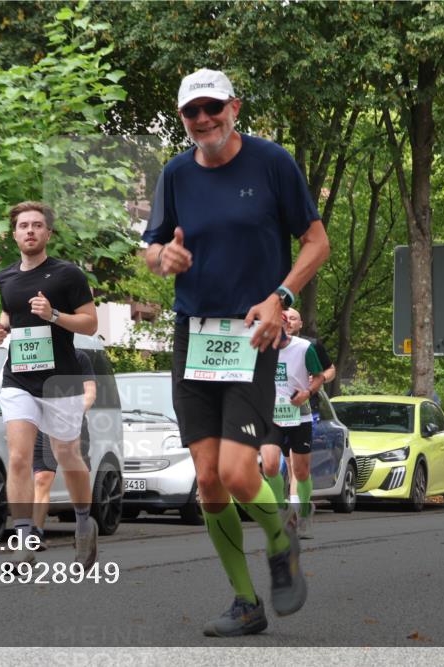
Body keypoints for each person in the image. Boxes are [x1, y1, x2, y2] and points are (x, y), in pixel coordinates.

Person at [142, 68, 330, 637]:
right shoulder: (176, 173)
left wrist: (282, 296)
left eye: (212, 108)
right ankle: (246, 603)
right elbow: (153, 247)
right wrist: (160, 261)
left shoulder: (272, 163)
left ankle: (281, 539)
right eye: (191, 112)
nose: (203, 120)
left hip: (253, 334)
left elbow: (316, 241)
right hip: (193, 335)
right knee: (206, 480)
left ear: (234, 107)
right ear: (182, 119)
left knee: (237, 471)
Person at [0, 201, 100, 569]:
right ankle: (23, 539)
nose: (30, 231)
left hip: (60, 380)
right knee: (19, 456)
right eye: (23, 226)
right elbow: (10, 311)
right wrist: (0, 326)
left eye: (37, 225)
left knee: (67, 456)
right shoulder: (6, 277)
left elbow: (90, 324)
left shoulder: (68, 275)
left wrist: (53, 314)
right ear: (15, 233)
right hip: (18, 375)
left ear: (48, 233)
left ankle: (85, 522)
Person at [261, 327, 325, 540]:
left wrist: (307, 392)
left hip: (299, 415)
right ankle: (283, 508)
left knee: (301, 471)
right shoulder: (258, 347)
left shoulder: (304, 348)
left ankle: (305, 512)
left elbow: (319, 376)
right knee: (269, 466)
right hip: (271, 416)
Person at [31, 349, 98, 549]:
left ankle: (83, 528)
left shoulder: (79, 358)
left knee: (77, 474)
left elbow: (90, 393)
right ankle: (35, 533)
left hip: (73, 423)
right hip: (43, 424)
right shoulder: (37, 356)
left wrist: (75, 413)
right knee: (42, 477)